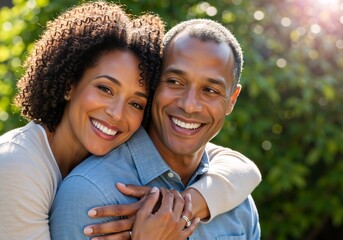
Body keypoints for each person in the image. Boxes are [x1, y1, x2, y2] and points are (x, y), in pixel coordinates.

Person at [0, 2, 261, 240]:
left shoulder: (231, 197)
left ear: (232, 100)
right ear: (70, 83)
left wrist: (189, 203)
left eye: (136, 103)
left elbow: (242, 168)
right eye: (104, 88)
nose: (116, 113)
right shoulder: (19, 167)